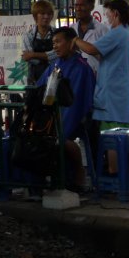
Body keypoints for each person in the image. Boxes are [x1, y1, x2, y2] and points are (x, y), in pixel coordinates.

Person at [72, 0, 129, 174]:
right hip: (119, 91)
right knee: (120, 135)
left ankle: (115, 173)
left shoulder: (117, 33)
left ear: (115, 13)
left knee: (113, 137)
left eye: (108, 14)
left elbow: (93, 50)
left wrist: (75, 40)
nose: (106, 18)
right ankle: (120, 173)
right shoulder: (126, 33)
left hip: (113, 93)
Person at [37, 27, 95, 192]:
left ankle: (77, 174)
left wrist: (59, 124)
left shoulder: (82, 67)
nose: (55, 46)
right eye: (53, 43)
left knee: (57, 138)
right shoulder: (55, 65)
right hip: (55, 115)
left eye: (58, 42)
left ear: (71, 44)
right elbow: (40, 88)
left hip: (76, 117)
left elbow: (78, 103)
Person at [69, 0, 110, 74]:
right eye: (76, 5)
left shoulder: (102, 30)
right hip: (75, 76)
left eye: (82, 5)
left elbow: (107, 57)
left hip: (96, 76)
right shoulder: (71, 29)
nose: (78, 8)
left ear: (91, 7)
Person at [22, 0, 57, 85]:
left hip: (54, 77)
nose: (46, 17)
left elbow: (57, 54)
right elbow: (28, 58)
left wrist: (33, 54)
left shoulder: (57, 34)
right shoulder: (28, 35)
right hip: (33, 78)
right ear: (35, 16)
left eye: (49, 14)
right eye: (42, 14)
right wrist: (49, 57)